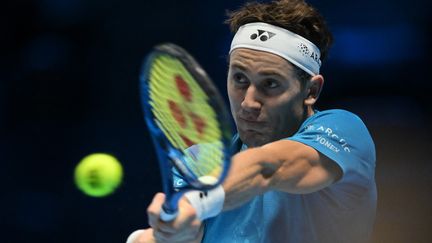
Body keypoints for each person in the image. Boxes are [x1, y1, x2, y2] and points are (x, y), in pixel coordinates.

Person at [127, 0, 376, 242]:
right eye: (239, 79)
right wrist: (159, 235)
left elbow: (267, 167)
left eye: (270, 84)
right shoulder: (199, 160)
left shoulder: (344, 130)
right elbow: (186, 234)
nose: (248, 103)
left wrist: (195, 202)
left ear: (311, 91)